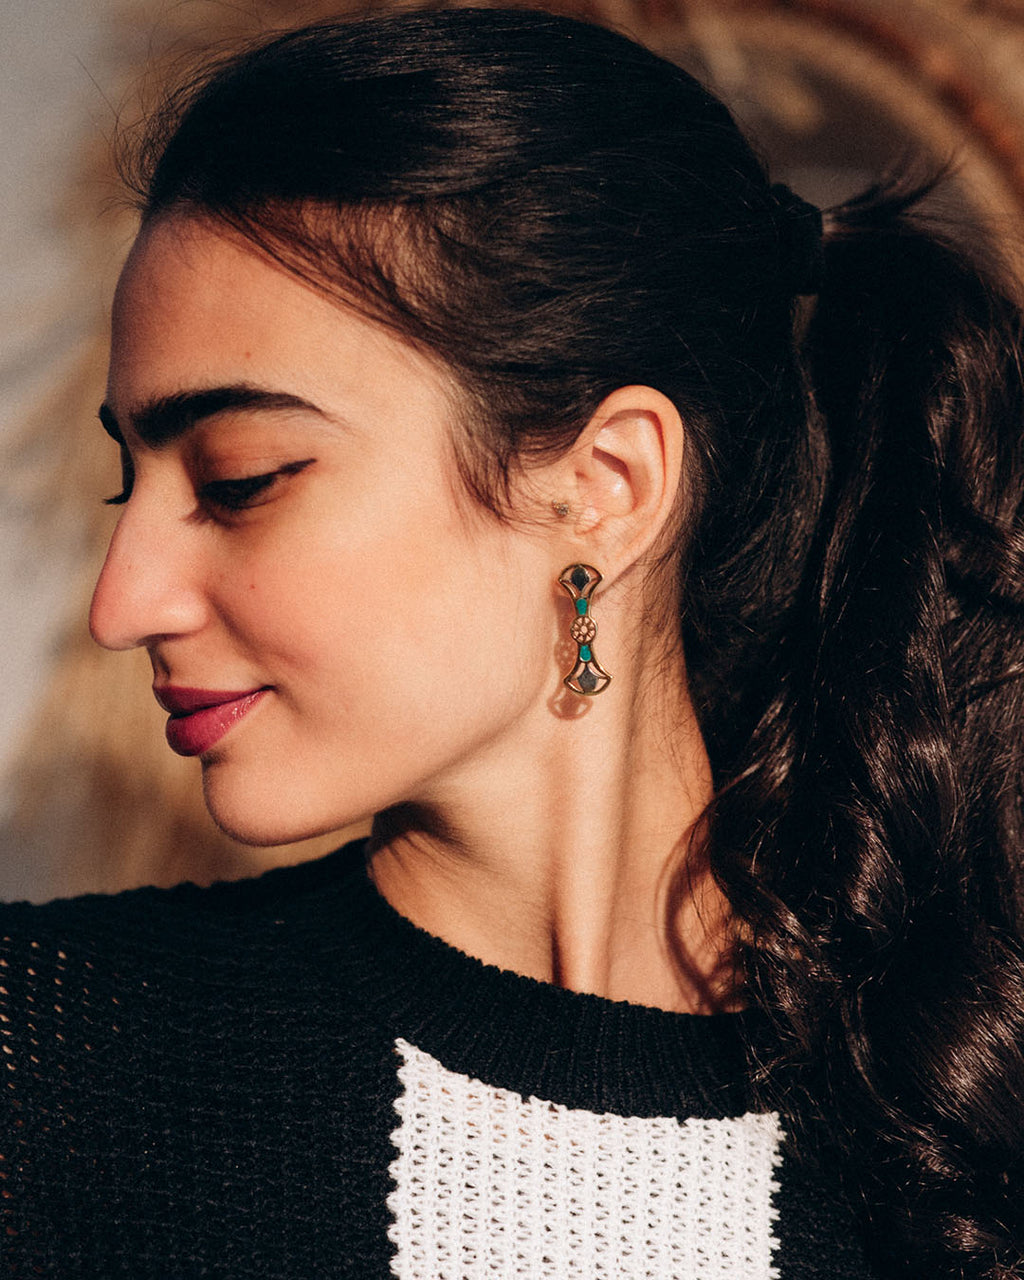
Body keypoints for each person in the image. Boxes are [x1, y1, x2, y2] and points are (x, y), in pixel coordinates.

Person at [2, 7, 1022, 1276]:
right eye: (128, 482)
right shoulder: (49, 1067)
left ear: (605, 481)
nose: (122, 600)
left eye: (239, 476)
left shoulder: (955, 1130)